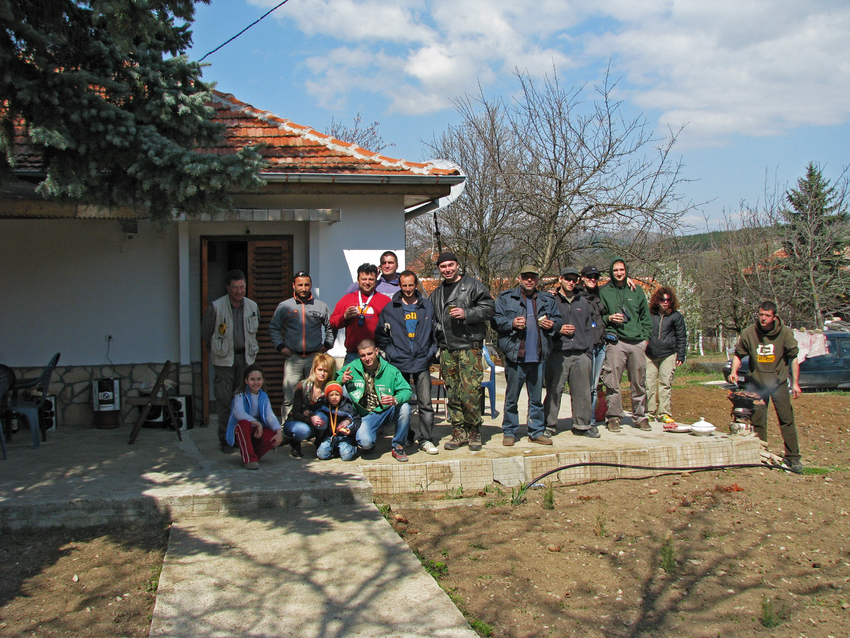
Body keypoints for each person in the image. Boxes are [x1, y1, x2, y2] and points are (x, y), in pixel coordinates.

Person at [430, 251, 496, 451]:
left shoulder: (473, 285)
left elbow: (489, 308)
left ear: (457, 265)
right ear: (439, 269)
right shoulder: (436, 294)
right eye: (443, 266)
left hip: (469, 348)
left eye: (450, 265)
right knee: (453, 393)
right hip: (447, 349)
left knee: (470, 393)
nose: (447, 269)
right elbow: (432, 320)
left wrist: (467, 313)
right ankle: (458, 431)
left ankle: (474, 431)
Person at [729, 301, 802, 472]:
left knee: (786, 419)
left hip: (778, 383)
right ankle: (761, 453)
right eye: (761, 314)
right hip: (757, 383)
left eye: (767, 315)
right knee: (758, 420)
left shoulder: (785, 333)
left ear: (774, 317)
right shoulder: (749, 333)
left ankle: (793, 457)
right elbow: (739, 354)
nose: (763, 318)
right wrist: (733, 371)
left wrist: (796, 383)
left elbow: (793, 358)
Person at [493, 265, 560, 445]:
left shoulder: (547, 299)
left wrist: (553, 325)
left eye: (533, 277)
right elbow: (495, 320)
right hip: (516, 356)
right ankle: (509, 431)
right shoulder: (507, 298)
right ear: (519, 279)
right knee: (512, 398)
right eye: (525, 276)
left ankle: (536, 431)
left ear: (538, 279)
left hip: (538, 356)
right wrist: (511, 323)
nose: (529, 280)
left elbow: (559, 320)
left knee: (536, 400)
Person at [375, 270, 439, 455]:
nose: (408, 289)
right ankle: (405, 437)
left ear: (416, 284)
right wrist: (391, 353)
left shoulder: (427, 306)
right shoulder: (390, 308)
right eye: (404, 285)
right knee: (401, 404)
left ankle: (426, 439)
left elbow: (436, 333)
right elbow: (381, 335)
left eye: (411, 285)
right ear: (399, 285)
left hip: (422, 362)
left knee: (425, 403)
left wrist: (431, 353)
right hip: (399, 363)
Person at [201, 269, 260, 454]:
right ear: (228, 288)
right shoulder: (215, 307)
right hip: (224, 361)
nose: (239, 291)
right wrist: (217, 350)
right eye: (235, 288)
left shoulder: (252, 306)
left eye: (242, 287)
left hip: (245, 359)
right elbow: (206, 333)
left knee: (243, 401)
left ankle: (241, 438)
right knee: (225, 401)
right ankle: (226, 440)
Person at [268, 271, 334, 420]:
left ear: (311, 285)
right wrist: (280, 347)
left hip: (314, 358)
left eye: (306, 285)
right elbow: (274, 328)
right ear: (294, 286)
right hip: (294, 358)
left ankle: (314, 425)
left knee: (315, 395)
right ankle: (286, 428)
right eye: (300, 285)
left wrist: (327, 345)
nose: (303, 288)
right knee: (290, 396)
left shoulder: (321, 306)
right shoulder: (285, 306)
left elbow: (330, 327)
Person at [599, 258, 652, 432]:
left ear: (626, 270)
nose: (619, 273)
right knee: (612, 382)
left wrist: (645, 338)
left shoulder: (636, 290)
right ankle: (614, 417)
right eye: (615, 270)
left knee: (638, 382)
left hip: (637, 342)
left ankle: (640, 416)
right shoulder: (604, 291)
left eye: (622, 270)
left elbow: (645, 316)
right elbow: (597, 316)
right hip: (616, 342)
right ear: (611, 272)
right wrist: (609, 318)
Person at [338, 339, 413, 462]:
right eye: (363, 355)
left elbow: (407, 391)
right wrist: (341, 380)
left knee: (405, 407)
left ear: (376, 351)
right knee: (365, 443)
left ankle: (398, 445)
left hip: (387, 411)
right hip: (366, 415)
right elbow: (332, 381)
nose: (367, 358)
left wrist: (395, 399)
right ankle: (369, 438)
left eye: (369, 354)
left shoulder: (391, 370)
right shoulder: (352, 367)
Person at [543, 267, 597, 438]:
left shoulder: (583, 302)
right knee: (554, 391)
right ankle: (549, 425)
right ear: (560, 279)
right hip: (558, 352)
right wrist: (558, 330)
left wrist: (588, 352)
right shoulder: (551, 300)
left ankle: (582, 425)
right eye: (567, 279)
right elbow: (544, 324)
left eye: (574, 280)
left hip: (581, 353)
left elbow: (589, 328)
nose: (571, 282)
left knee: (582, 392)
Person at [330, 263, 391, 365]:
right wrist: (344, 317)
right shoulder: (347, 299)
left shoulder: (385, 301)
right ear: (358, 281)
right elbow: (332, 322)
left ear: (376, 281)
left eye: (371, 279)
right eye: (364, 279)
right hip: (353, 355)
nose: (367, 282)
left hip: (376, 354)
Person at [225, 364, 283, 470]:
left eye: (259, 379)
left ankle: (251, 454)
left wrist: (279, 432)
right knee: (243, 424)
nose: (256, 383)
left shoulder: (264, 396)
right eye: (252, 379)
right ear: (246, 381)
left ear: (263, 380)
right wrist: (257, 423)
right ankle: (249, 460)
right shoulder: (240, 394)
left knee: (272, 437)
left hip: (256, 431)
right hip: (242, 430)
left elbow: (270, 415)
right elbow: (238, 413)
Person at [645, 286, 688, 424]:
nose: (665, 302)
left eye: (668, 300)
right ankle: (649, 412)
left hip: (668, 354)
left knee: (665, 383)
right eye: (662, 299)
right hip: (649, 354)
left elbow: (681, 337)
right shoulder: (649, 315)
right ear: (657, 300)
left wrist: (681, 355)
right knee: (649, 384)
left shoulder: (676, 316)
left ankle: (664, 413)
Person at [282, 353, 336, 458]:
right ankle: (295, 443)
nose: (322, 373)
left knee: (322, 416)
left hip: (317, 423)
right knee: (304, 430)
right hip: (296, 422)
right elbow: (296, 413)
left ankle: (319, 442)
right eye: (320, 370)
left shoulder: (329, 389)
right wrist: (310, 418)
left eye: (326, 371)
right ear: (314, 369)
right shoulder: (302, 386)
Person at [577, 266, 608, 423]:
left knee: (594, 387)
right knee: (584, 386)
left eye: (595, 277)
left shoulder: (599, 294)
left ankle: (591, 419)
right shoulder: (577, 296)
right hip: (585, 347)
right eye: (589, 276)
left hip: (600, 345)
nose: (593, 279)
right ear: (582, 277)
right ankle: (582, 419)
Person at [315, 382, 360, 461]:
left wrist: (349, 427)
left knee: (346, 457)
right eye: (331, 395)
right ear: (327, 396)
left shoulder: (347, 407)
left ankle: (353, 448)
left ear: (341, 396)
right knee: (321, 455)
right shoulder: (322, 405)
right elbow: (313, 410)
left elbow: (357, 420)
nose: (334, 397)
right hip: (330, 437)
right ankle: (336, 451)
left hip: (344, 437)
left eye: (337, 395)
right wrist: (310, 414)